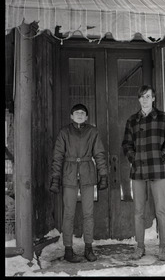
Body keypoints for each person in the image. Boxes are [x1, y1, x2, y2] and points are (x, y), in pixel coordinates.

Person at [122, 85, 165, 261]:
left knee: (161, 210)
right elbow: (126, 145)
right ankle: (140, 246)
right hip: (138, 170)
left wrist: (162, 158)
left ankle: (163, 247)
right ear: (138, 99)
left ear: (153, 98)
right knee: (138, 211)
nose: (144, 99)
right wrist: (133, 158)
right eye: (141, 97)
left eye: (148, 96)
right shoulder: (132, 121)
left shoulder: (163, 118)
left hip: (158, 169)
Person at [50, 103, 108, 263]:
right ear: (71, 115)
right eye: (77, 112)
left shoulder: (92, 132)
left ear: (87, 117)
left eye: (83, 112)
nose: (80, 114)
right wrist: (56, 177)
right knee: (68, 213)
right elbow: (58, 156)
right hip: (69, 174)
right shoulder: (64, 132)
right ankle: (68, 249)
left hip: (87, 173)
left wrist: (103, 174)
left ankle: (88, 248)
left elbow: (99, 154)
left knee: (88, 213)